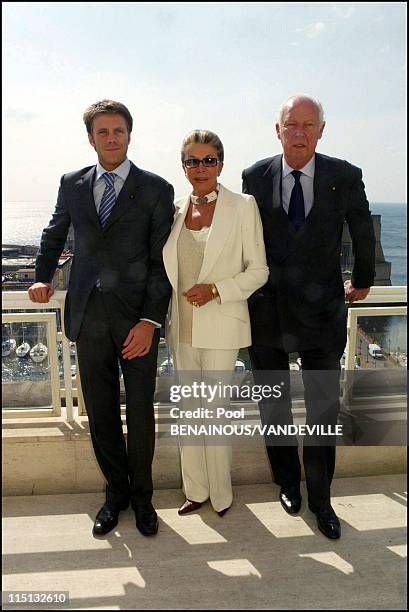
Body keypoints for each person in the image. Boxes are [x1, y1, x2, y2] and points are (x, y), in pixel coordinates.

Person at [28, 100, 174, 537]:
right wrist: (41, 278)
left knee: (141, 412)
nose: (111, 138)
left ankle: (144, 499)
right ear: (90, 138)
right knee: (101, 411)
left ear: (130, 135)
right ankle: (116, 496)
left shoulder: (155, 189)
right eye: (103, 132)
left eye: (119, 131)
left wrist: (150, 321)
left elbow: (160, 262)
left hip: (136, 322)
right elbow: (54, 233)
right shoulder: (72, 184)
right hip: (88, 315)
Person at [242, 94, 376, 539]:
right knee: (274, 404)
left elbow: (360, 228)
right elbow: (243, 237)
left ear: (322, 130)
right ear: (277, 130)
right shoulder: (253, 176)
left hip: (322, 314)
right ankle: (287, 483)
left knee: (322, 408)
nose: (299, 132)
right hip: (267, 312)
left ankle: (321, 499)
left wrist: (362, 280)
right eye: (290, 124)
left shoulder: (344, 175)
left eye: (308, 124)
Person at [163, 130, 268, 516]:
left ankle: (222, 495)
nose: (201, 167)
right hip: (182, 329)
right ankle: (195, 491)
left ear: (221, 164)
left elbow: (258, 271)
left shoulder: (242, 206)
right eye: (193, 160)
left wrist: (217, 290)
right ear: (184, 166)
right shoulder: (174, 210)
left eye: (209, 160)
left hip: (222, 327)